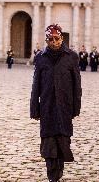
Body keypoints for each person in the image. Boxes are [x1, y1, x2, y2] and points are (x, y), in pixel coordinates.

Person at [30, 24, 82, 182]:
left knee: (62, 140)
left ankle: (58, 170)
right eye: (50, 39)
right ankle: (52, 173)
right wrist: (34, 108)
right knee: (48, 142)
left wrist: (76, 107)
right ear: (46, 40)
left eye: (57, 39)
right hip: (47, 106)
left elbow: (76, 85)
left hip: (64, 106)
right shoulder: (40, 57)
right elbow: (36, 85)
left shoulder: (71, 56)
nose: (54, 42)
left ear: (62, 38)